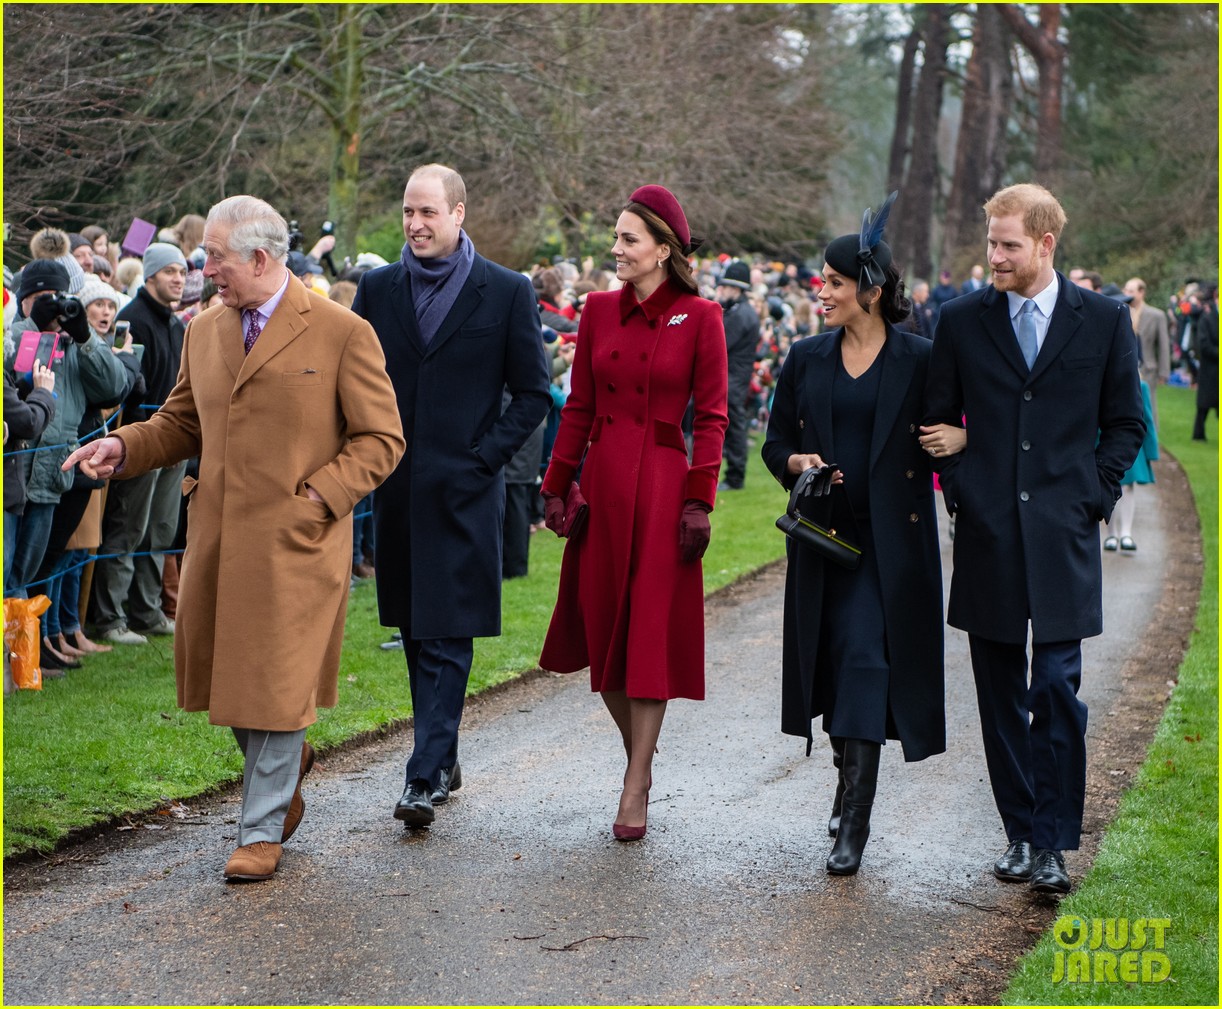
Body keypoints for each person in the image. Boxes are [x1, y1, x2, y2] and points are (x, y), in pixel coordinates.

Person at [62, 195, 405, 882]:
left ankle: (260, 827)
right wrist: (121, 447)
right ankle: (286, 767)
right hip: (218, 536)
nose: (202, 268)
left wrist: (321, 495)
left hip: (299, 541)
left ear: (260, 256)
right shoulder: (205, 330)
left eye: (213, 256)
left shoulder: (341, 330)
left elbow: (381, 438)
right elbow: (181, 423)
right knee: (231, 680)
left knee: (277, 679)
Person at [924, 182, 1145, 895]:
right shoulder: (960, 322)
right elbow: (936, 425)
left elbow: (1126, 425)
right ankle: (1019, 831)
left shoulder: (1106, 321)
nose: (994, 255)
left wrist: (1093, 496)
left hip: (1063, 536)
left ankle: (1053, 842)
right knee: (998, 694)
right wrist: (965, 495)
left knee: (1056, 689)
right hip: (988, 537)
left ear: (1046, 244)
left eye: (1008, 244)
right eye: (990, 240)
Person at [351, 164, 550, 829]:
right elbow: (354, 382)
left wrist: (482, 459)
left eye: (428, 212)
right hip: (400, 490)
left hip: (466, 493)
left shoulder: (506, 291)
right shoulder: (377, 290)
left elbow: (532, 396)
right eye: (408, 212)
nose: (415, 224)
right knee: (415, 628)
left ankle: (422, 773)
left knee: (449, 631)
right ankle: (444, 752)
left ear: (460, 214)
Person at [761, 195, 949, 876]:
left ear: (870, 289)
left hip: (890, 548)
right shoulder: (807, 358)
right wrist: (794, 461)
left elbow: (950, 435)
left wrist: (957, 437)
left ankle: (855, 827)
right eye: (822, 281)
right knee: (836, 669)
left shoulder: (922, 359)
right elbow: (775, 441)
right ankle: (845, 781)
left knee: (868, 662)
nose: (823, 291)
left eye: (835, 282)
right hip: (823, 543)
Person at [539, 184, 729, 841]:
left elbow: (712, 416)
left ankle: (636, 782)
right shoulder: (595, 310)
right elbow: (580, 405)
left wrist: (700, 499)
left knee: (647, 634)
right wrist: (556, 482)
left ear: (662, 250)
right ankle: (638, 758)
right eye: (616, 237)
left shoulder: (702, 316)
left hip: (666, 489)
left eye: (629, 239)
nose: (616, 249)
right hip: (606, 483)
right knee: (603, 635)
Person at [92, 243, 189, 645]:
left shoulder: (179, 324)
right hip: (139, 440)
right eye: (169, 271)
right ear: (149, 276)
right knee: (128, 527)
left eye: (182, 272)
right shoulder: (133, 320)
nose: (178, 279)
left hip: (178, 439)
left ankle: (147, 612)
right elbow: (130, 386)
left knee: (161, 529)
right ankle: (109, 616)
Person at [716, 259, 760, 491]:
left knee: (734, 429)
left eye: (726, 287)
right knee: (733, 428)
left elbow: (718, 343)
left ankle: (735, 478)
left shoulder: (741, 315)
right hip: (733, 379)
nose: (722, 291)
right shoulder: (740, 311)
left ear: (737, 289)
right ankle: (733, 476)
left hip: (732, 381)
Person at [1191, 282, 1217, 441]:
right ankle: (1198, 435)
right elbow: (1203, 344)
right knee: (1204, 405)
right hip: (1210, 368)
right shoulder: (1207, 318)